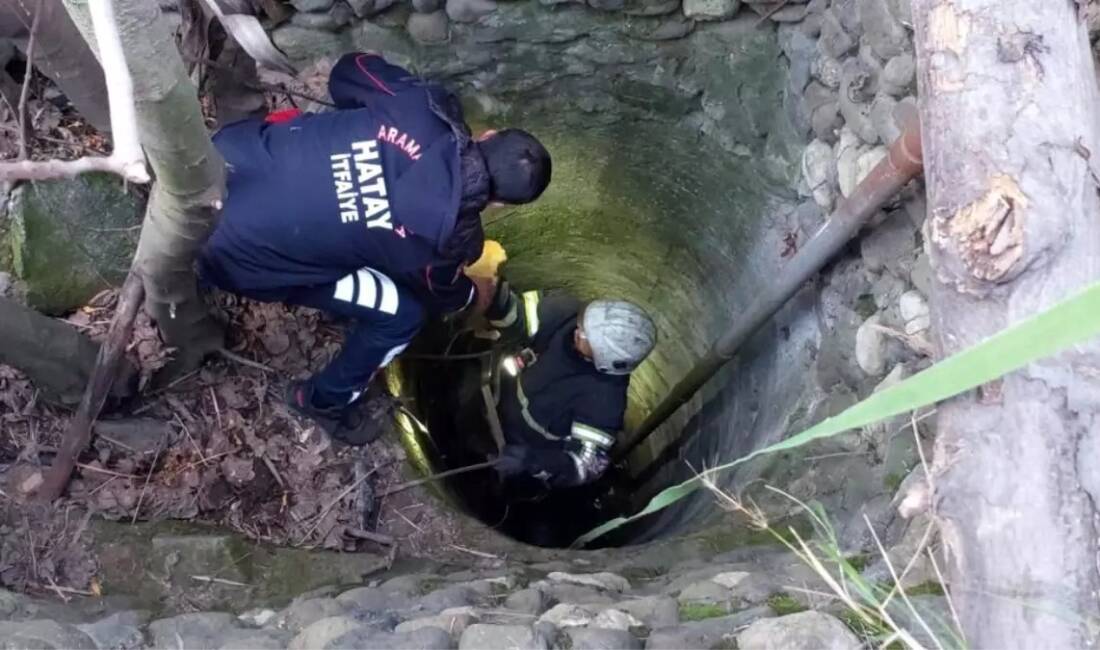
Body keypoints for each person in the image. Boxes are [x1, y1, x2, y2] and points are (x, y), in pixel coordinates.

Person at [197, 51, 552, 443]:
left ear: (487, 135)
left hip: (214, 166)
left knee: (311, 142)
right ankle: (321, 401)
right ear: (498, 203)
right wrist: (474, 292)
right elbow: (443, 298)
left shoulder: (420, 106)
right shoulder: (449, 245)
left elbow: (348, 72)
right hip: (232, 258)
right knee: (401, 316)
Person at [483, 289, 657, 487]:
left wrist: (533, 461)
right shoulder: (565, 312)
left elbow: (586, 465)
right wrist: (493, 299)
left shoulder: (604, 401)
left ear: (604, 359)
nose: (577, 330)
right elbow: (522, 315)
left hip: (525, 445)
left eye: (585, 335)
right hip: (500, 401)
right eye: (583, 324)